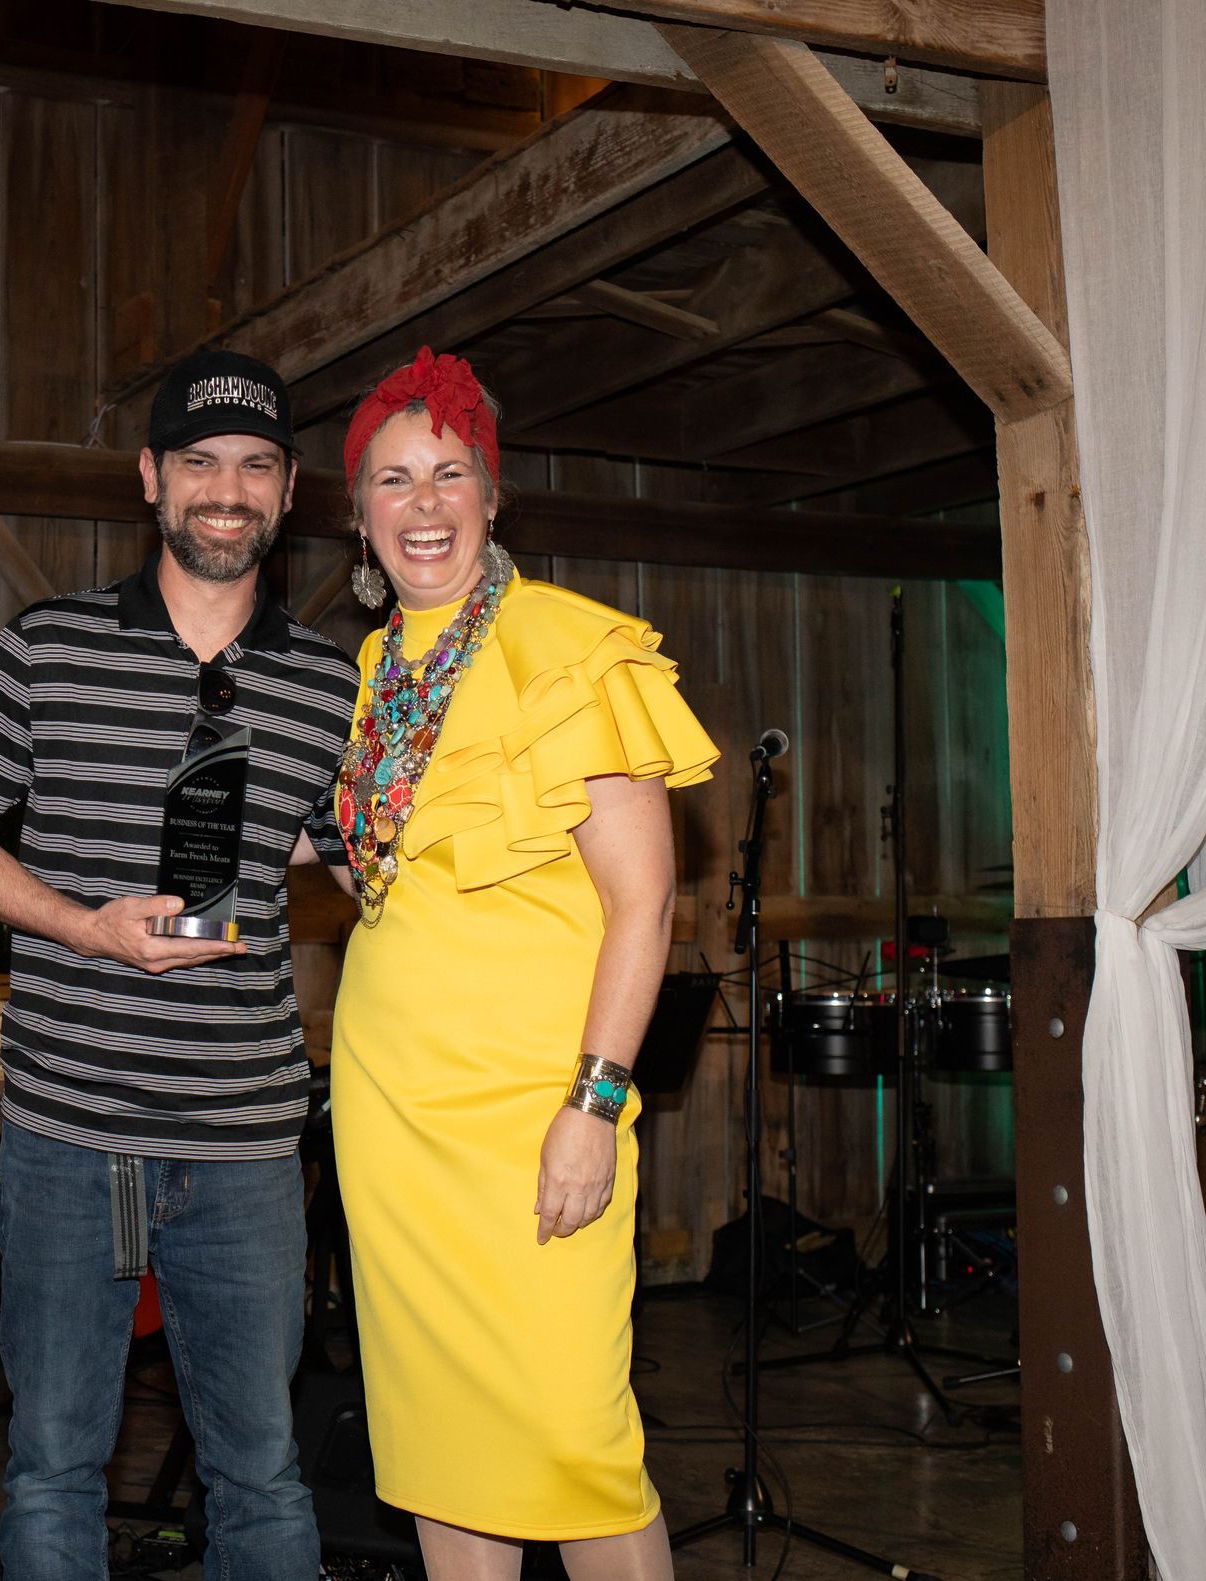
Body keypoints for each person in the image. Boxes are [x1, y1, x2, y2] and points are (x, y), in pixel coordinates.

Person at [0, 349, 359, 1579]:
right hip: (71, 1131)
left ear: (287, 495)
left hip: (247, 1145)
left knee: (262, 1476)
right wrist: (83, 926)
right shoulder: (46, 648)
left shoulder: (329, 685)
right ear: (152, 477)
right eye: (203, 461)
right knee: (56, 1470)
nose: (229, 488)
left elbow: (369, 868)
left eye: (258, 466)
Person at [329, 348, 718, 1579]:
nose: (425, 504)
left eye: (451, 474)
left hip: (534, 1114)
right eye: (395, 481)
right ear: (360, 515)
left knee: (577, 1451)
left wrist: (592, 1104)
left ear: (494, 498)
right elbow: (398, 881)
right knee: (444, 1455)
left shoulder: (569, 647)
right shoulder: (371, 675)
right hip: (394, 1120)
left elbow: (644, 899)